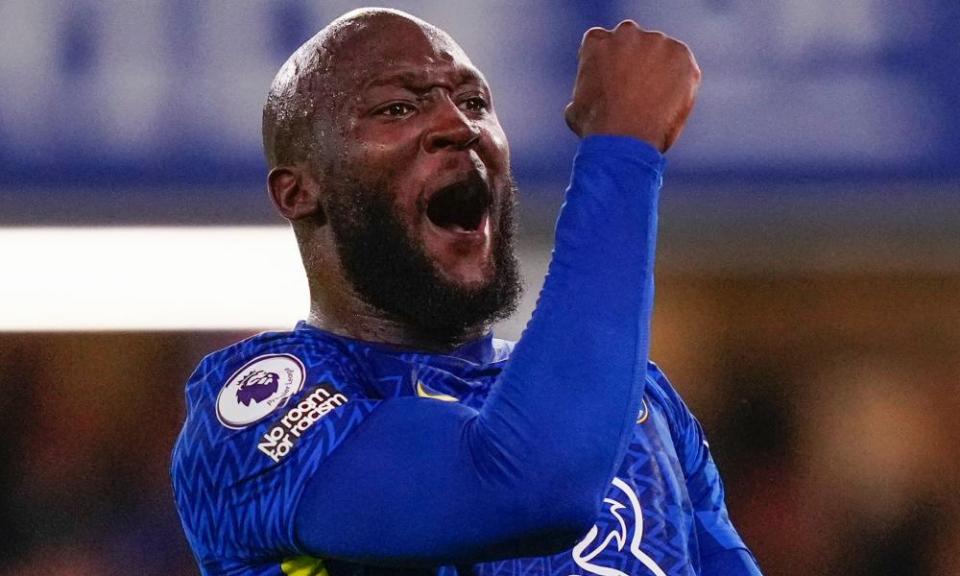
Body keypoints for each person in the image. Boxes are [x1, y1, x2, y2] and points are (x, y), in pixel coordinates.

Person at [171, 7, 762, 576]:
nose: (459, 127)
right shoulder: (253, 415)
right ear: (299, 192)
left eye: (475, 102)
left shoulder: (639, 396)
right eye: (398, 108)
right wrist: (622, 150)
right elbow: (525, 489)